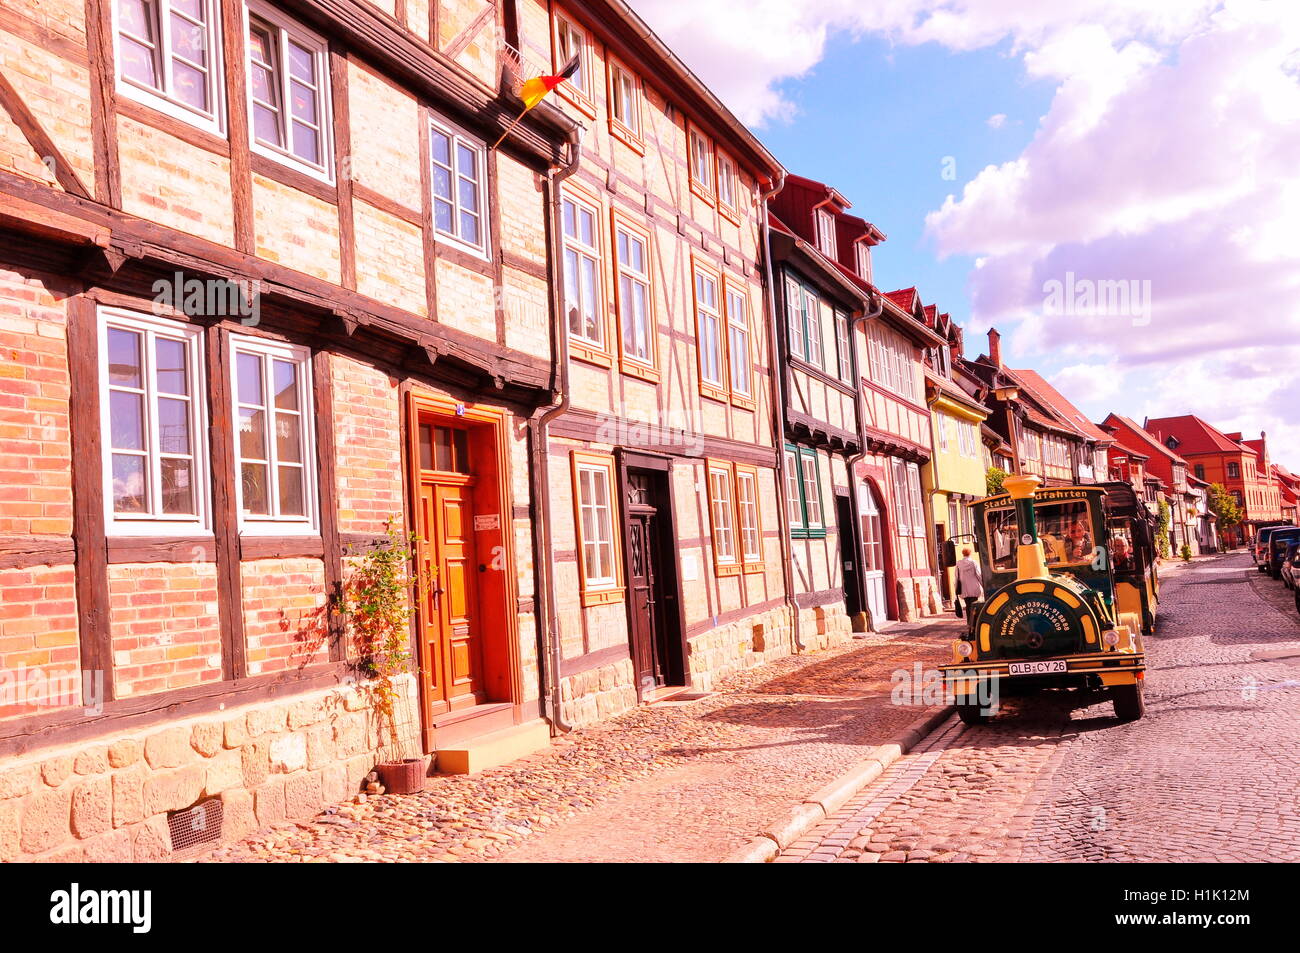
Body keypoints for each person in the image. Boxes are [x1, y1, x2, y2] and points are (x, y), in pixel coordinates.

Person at [954, 547, 984, 619]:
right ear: (970, 553)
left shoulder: (958, 563)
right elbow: (979, 575)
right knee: (974, 606)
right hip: (974, 587)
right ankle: (974, 622)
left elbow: (956, 577)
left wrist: (956, 589)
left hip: (964, 588)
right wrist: (984, 585)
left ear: (963, 554)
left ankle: (969, 622)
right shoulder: (974, 563)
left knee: (968, 605)